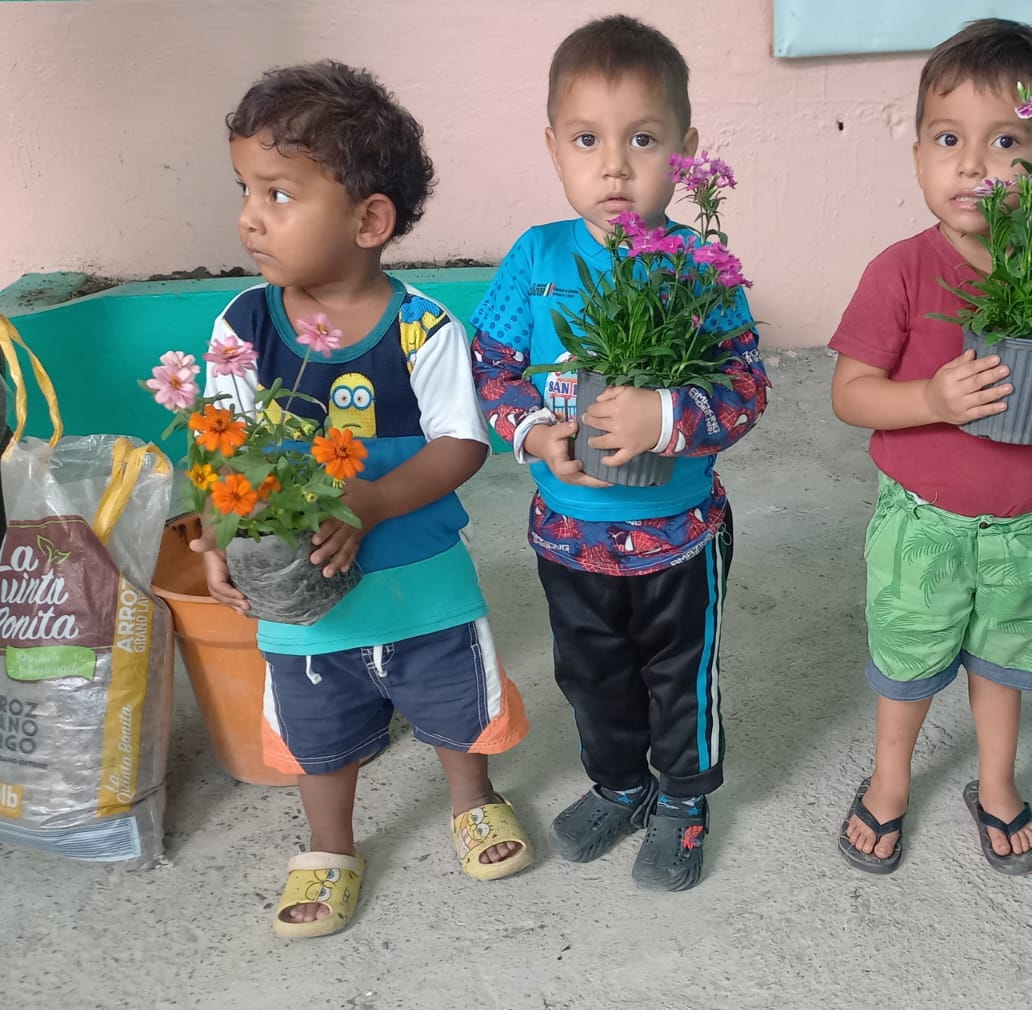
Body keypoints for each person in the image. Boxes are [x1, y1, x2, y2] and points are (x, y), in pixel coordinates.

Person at [197, 62, 532, 938]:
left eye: (278, 194)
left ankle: (472, 800)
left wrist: (374, 501)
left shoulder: (422, 328)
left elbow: (463, 442)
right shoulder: (244, 327)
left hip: (420, 577)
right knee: (318, 718)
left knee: (453, 698)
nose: (249, 217)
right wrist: (216, 537)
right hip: (302, 595)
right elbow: (222, 446)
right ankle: (330, 845)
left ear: (369, 220)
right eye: (245, 190)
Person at [472, 16, 768, 892]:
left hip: (678, 530)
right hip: (570, 530)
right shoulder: (535, 259)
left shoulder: (699, 266)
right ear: (553, 148)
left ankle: (682, 798)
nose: (614, 167)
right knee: (590, 675)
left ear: (686, 152)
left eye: (642, 139)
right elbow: (491, 367)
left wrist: (667, 416)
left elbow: (746, 386)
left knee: (682, 675)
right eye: (587, 140)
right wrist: (534, 430)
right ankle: (621, 784)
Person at [829, 19, 1032, 876]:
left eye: (1006, 142)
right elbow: (850, 395)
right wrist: (930, 398)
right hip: (922, 521)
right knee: (909, 663)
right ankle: (891, 780)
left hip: (1030, 523)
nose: (972, 166)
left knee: (1006, 661)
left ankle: (996, 782)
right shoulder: (901, 271)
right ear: (918, 151)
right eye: (948, 139)